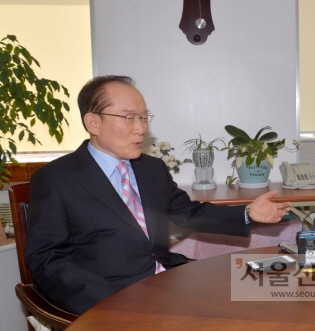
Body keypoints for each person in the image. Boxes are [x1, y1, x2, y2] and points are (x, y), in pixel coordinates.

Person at [25, 75, 291, 315]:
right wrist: (107, 303)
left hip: (168, 282)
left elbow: (188, 213)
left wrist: (247, 213)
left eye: (144, 117)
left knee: (256, 302)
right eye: (129, 118)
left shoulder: (151, 169)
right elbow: (47, 260)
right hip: (111, 296)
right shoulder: (56, 179)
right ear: (93, 122)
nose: (141, 128)